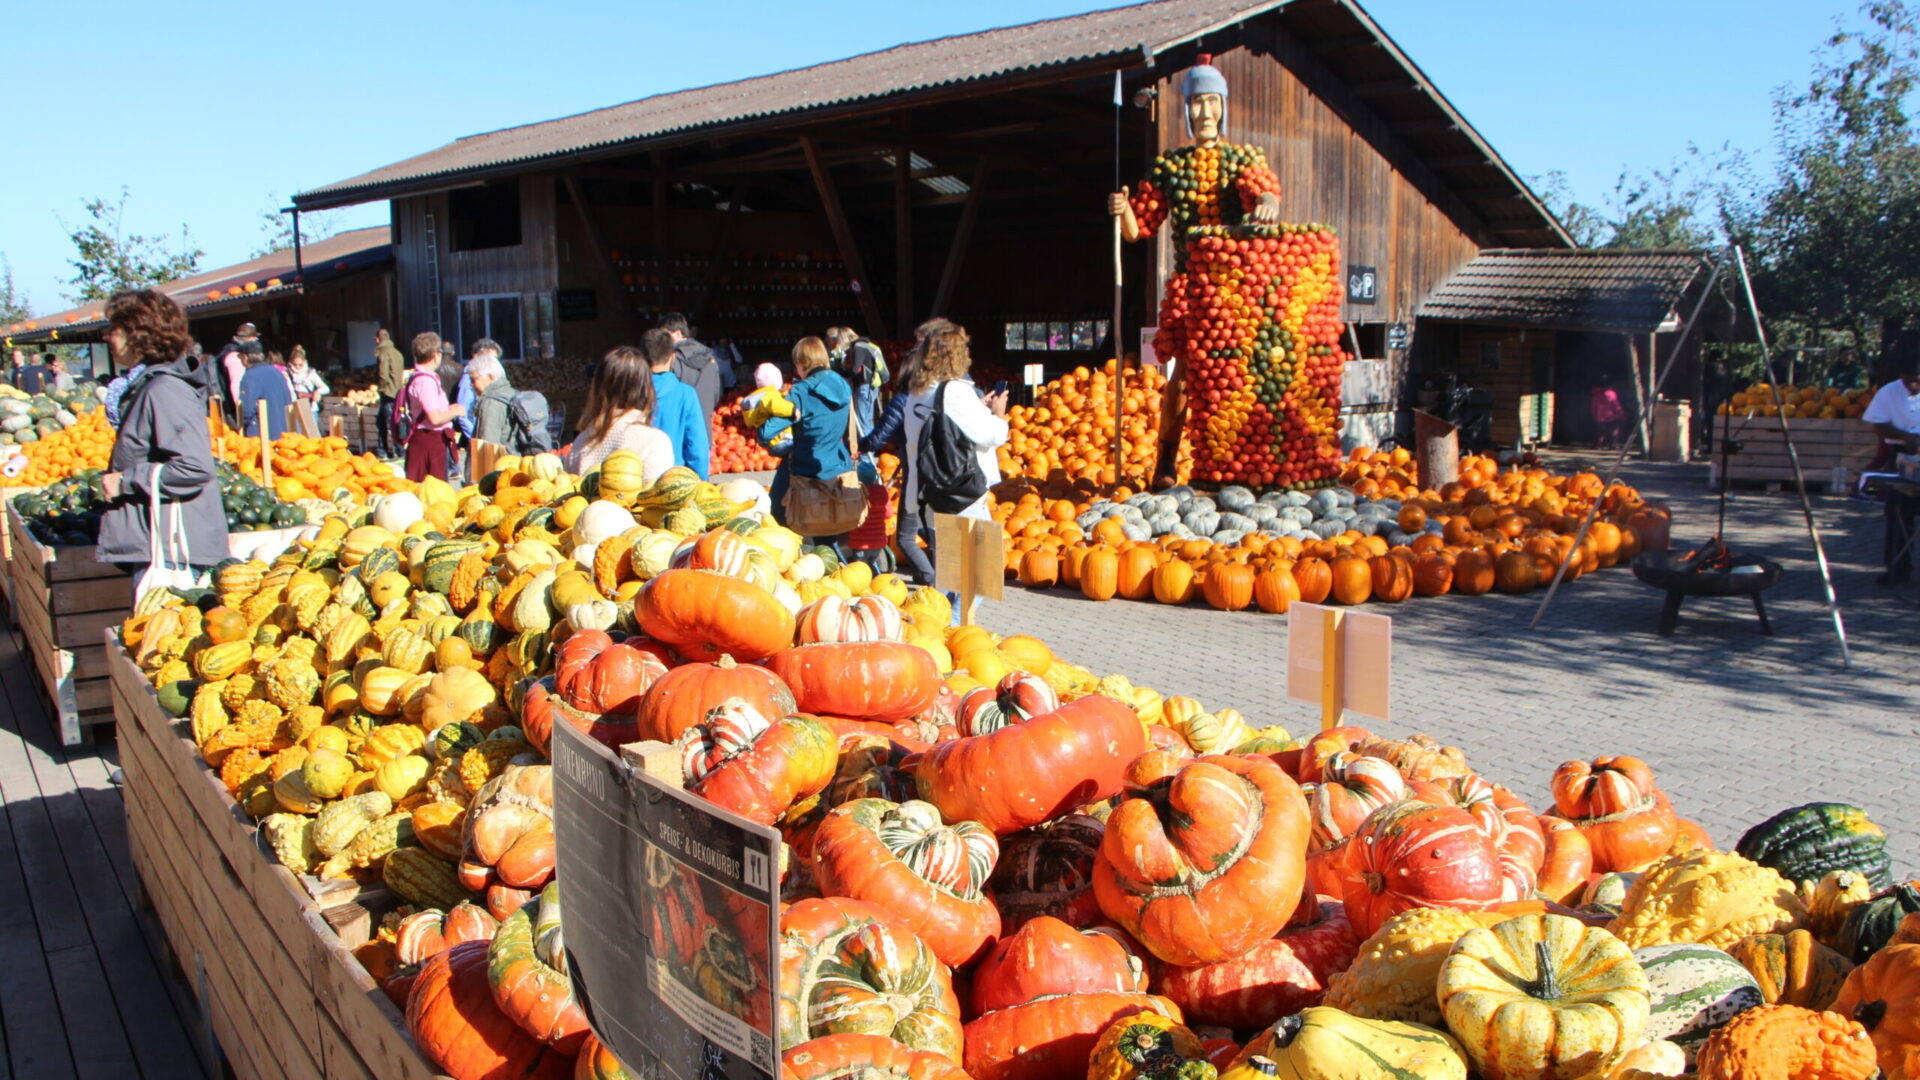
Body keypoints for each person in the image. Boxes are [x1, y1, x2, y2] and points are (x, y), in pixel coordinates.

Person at [95, 289, 228, 573]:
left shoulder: (164, 390)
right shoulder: (146, 386)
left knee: (162, 619)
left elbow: (193, 467)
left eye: (112, 329)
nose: (105, 336)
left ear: (137, 333)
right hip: (162, 544)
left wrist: (125, 481)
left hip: (174, 552)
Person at [861, 317, 953, 583]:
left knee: (904, 537)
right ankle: (941, 576)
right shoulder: (939, 396)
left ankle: (930, 577)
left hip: (916, 475)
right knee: (931, 527)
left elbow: (878, 438)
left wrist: (859, 445)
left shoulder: (903, 401)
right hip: (940, 473)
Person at [901, 323, 1008, 528]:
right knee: (978, 559)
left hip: (931, 490)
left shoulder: (917, 393)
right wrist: (998, 413)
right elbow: (992, 435)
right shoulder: (955, 391)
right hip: (961, 493)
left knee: (946, 558)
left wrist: (976, 408)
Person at [764, 337, 857, 551]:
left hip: (804, 474)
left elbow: (768, 432)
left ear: (800, 363)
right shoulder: (843, 385)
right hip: (837, 471)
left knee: (780, 517)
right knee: (828, 533)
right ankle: (834, 571)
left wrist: (762, 412)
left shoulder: (800, 391)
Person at [566, 346, 674, 479]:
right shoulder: (654, 442)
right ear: (645, 389)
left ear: (599, 388)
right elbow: (658, 496)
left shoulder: (582, 441)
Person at [644, 327, 711, 477]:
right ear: (673, 357)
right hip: (675, 479)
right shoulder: (685, 394)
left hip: (637, 479)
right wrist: (701, 483)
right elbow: (697, 446)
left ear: (642, 359)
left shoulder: (632, 393)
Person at [399, 332, 464, 482]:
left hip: (429, 440)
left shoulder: (423, 377)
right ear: (436, 355)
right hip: (428, 441)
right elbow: (434, 418)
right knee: (432, 492)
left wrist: (448, 409)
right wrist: (455, 412)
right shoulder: (425, 381)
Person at [827, 326, 888, 437]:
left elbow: (855, 370)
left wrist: (842, 371)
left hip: (864, 386)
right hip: (872, 386)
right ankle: (870, 448)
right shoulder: (866, 345)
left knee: (863, 420)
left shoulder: (858, 347)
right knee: (868, 419)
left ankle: (865, 452)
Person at [660, 312, 724, 419]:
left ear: (678, 334)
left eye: (664, 334)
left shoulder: (672, 359)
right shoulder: (710, 357)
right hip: (703, 423)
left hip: (679, 423)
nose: (661, 339)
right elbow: (717, 393)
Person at [239, 345, 295, 441]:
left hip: (261, 435)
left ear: (245, 357)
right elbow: (288, 399)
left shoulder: (250, 376)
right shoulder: (276, 372)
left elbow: (247, 409)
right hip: (284, 431)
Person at [742, 363, 793, 457]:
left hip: (770, 443)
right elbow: (778, 406)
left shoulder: (757, 398)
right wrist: (793, 409)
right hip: (782, 440)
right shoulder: (770, 396)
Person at [467, 355, 518, 448]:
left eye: (473, 379)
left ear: (490, 376)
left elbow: (488, 447)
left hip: (499, 461)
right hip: (513, 459)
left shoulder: (491, 403)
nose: (471, 384)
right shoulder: (513, 394)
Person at [455, 338, 499, 441]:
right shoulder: (468, 380)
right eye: (488, 359)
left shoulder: (493, 376)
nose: (493, 363)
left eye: (495, 359)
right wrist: (476, 439)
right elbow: (463, 414)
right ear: (476, 357)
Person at [218, 323, 260, 421]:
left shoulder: (228, 351)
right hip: (234, 412)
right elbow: (236, 384)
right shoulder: (235, 356)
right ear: (251, 338)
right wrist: (244, 411)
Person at [373, 328, 405, 457]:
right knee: (385, 421)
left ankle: (398, 451)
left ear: (378, 339)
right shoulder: (397, 353)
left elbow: (383, 374)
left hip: (388, 392)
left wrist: (381, 389)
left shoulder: (384, 353)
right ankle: (383, 450)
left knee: (389, 422)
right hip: (397, 391)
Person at [287, 346, 330, 417]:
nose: (297, 367)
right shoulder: (287, 374)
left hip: (310, 408)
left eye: (300, 365)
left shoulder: (310, 373)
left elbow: (326, 388)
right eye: (295, 364)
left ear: (304, 362)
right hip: (294, 408)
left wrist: (317, 392)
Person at [1592, 374, 1627, 449]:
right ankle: (1612, 445)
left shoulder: (1596, 394)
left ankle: (1596, 445)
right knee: (1613, 431)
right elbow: (1616, 405)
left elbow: (1594, 406)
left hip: (1600, 416)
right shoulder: (1612, 394)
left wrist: (1594, 414)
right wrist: (1621, 415)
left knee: (1600, 432)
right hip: (1611, 417)